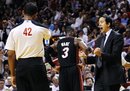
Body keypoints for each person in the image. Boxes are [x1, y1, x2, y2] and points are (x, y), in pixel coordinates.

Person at [4, 2, 51, 91]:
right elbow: (48, 37)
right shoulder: (43, 29)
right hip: (36, 65)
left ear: (22, 12)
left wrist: (12, 74)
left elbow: (10, 54)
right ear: (36, 14)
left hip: (21, 66)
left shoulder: (14, 30)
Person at [87, 16, 126, 91]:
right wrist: (86, 59)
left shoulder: (117, 37)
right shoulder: (99, 39)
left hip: (112, 77)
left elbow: (115, 57)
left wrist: (101, 54)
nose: (99, 25)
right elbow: (97, 59)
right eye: (99, 23)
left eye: (101, 22)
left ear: (108, 24)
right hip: (99, 77)